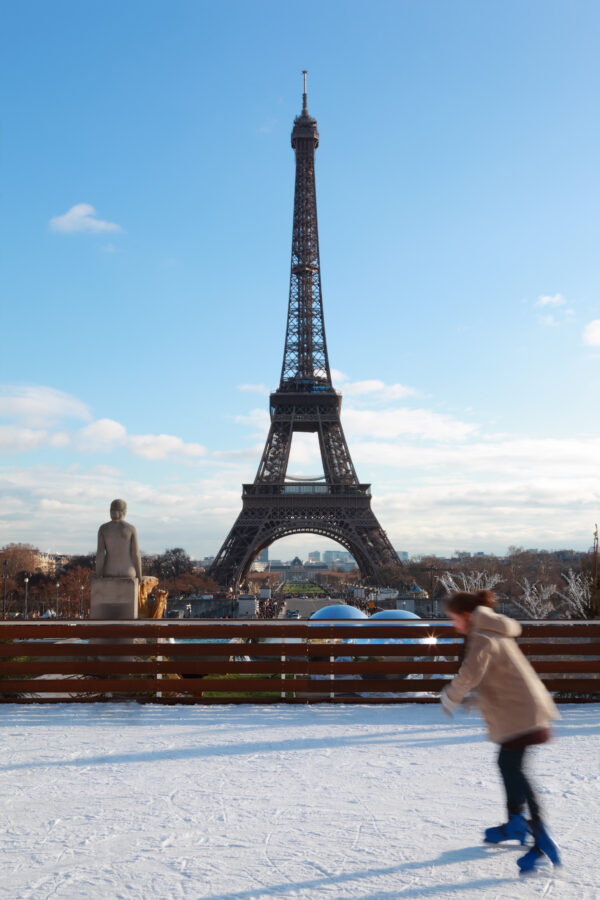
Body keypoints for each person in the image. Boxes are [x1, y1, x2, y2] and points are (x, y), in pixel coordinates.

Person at [440, 589, 561, 873]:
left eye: (453, 619)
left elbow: (471, 672)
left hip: (519, 712)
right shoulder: (490, 629)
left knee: (515, 769)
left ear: (467, 616)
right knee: (509, 765)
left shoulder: (481, 635)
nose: (453, 625)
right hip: (521, 709)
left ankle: (540, 836)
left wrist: (451, 695)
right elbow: (492, 673)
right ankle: (516, 822)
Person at [96, 499, 142, 580]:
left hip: (108, 571)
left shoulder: (103, 528)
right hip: (128, 572)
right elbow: (136, 554)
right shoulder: (130, 529)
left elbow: (100, 553)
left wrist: (98, 574)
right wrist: (139, 575)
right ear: (124, 511)